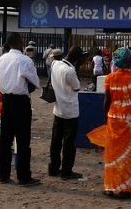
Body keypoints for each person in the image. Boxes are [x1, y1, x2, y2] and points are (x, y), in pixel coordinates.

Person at [0, 32, 41, 186]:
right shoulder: (25, 60)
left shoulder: (2, 59)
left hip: (6, 99)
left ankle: (3, 173)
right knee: (22, 139)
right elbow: (35, 81)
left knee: (5, 138)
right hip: (21, 100)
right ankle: (23, 175)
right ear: (19, 43)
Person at [102, 47, 131, 200]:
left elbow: (107, 100)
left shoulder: (109, 78)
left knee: (112, 153)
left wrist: (104, 118)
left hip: (113, 118)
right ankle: (125, 189)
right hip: (129, 120)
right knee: (127, 154)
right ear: (129, 61)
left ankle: (109, 187)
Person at [48, 46, 85, 180]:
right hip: (70, 110)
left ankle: (53, 167)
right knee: (69, 142)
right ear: (78, 59)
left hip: (58, 109)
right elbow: (77, 86)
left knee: (56, 140)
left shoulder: (55, 64)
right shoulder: (70, 71)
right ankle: (66, 170)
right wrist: (78, 67)